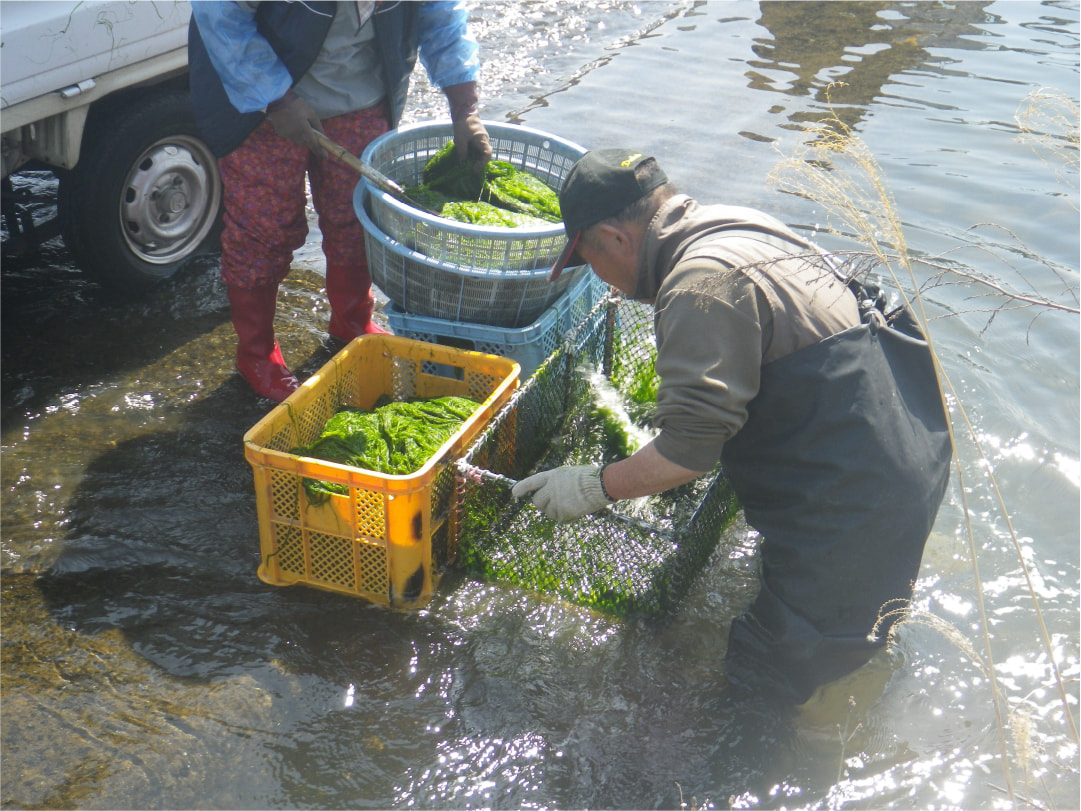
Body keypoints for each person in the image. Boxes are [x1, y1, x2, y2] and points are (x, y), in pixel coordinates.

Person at [512, 149, 953, 703]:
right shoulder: (741, 226)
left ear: (616, 239)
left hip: (855, 506)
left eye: (590, 262)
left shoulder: (698, 283)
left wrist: (591, 486)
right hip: (910, 448)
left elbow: (686, 455)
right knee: (849, 639)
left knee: (761, 677)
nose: (604, 283)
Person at [188, 1, 492, 401]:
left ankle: (352, 322)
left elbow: (441, 18)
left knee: (355, 214)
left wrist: (464, 107)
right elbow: (222, 18)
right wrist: (276, 98)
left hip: (360, 95)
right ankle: (257, 353)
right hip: (260, 103)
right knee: (263, 228)